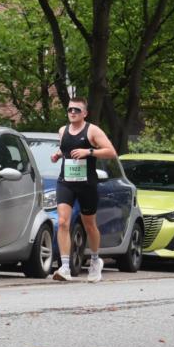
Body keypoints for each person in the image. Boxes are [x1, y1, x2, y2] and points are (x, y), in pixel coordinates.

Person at [50, 97, 118, 283]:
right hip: (66, 182)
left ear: (85, 113)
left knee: (89, 224)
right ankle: (64, 267)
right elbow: (65, 149)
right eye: (70, 109)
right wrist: (58, 154)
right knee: (63, 221)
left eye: (77, 110)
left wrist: (89, 152)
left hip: (87, 184)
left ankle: (95, 261)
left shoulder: (93, 131)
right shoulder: (63, 130)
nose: (72, 112)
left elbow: (111, 152)